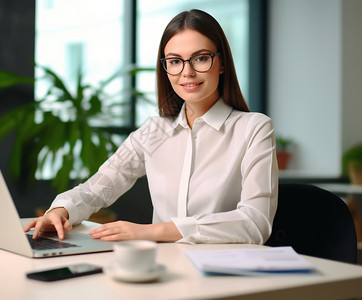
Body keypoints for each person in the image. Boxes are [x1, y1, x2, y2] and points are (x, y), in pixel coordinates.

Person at [24, 9, 278, 244]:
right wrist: (60, 210)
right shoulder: (153, 131)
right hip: (162, 269)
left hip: (224, 271)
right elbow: (96, 189)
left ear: (222, 64)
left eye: (200, 58)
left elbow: (255, 222)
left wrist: (153, 231)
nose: (186, 72)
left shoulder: (254, 128)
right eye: (175, 61)